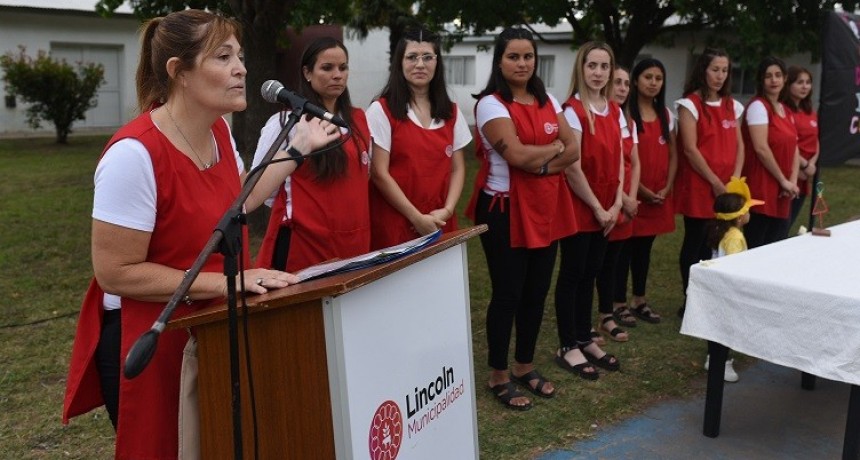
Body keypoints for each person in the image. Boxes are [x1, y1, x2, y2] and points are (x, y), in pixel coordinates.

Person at [62, 10, 340, 459]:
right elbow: (115, 272)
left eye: (240, 56)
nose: (241, 69)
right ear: (179, 72)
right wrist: (229, 283)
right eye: (223, 57)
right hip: (154, 337)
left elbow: (239, 201)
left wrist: (296, 150)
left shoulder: (219, 133)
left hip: (211, 327)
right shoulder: (132, 155)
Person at [467, 27, 579, 410]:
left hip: (546, 206)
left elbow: (574, 149)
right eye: (513, 56)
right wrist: (554, 148)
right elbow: (514, 156)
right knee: (508, 294)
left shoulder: (548, 99)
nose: (522, 63)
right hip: (505, 209)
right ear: (499, 61)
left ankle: (524, 366)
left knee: (536, 292)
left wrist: (541, 163)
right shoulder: (490, 104)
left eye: (528, 56)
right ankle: (498, 375)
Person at [254, 37, 372, 272]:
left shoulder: (358, 119)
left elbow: (364, 176)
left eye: (343, 68)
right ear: (307, 73)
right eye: (327, 68)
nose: (337, 75)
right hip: (303, 245)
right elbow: (260, 187)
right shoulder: (286, 123)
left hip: (353, 243)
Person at [555, 41, 624, 379]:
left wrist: (616, 203)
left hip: (606, 209)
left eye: (604, 66)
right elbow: (573, 167)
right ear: (581, 68)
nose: (598, 72)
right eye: (592, 65)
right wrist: (597, 207)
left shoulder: (614, 109)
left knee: (592, 273)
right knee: (573, 273)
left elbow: (621, 158)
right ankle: (568, 345)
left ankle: (585, 337)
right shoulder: (573, 111)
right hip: (581, 207)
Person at [367, 28, 470, 249]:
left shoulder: (451, 112)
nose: (420, 64)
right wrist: (416, 218)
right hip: (395, 224)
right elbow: (379, 173)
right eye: (412, 57)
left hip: (439, 221)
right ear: (400, 63)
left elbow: (457, 168)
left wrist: (448, 210)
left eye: (427, 57)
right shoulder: (381, 110)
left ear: (437, 62)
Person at [674, 48, 744, 317]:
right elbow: (690, 149)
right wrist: (715, 182)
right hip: (701, 186)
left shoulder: (732, 105)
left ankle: (711, 297)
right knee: (697, 242)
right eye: (715, 69)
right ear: (703, 70)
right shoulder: (690, 105)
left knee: (721, 242)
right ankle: (691, 299)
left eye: (724, 70)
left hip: (726, 187)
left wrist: (734, 180)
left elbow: (740, 146)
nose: (720, 75)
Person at [614, 58, 677, 325]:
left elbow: (673, 154)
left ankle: (639, 299)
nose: (653, 83)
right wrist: (641, 190)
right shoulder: (625, 114)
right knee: (623, 251)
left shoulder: (666, 115)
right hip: (633, 194)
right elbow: (627, 159)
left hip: (657, 195)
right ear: (636, 80)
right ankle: (618, 303)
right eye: (647, 77)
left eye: (658, 78)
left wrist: (667, 186)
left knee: (644, 250)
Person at [703, 176, 764, 382]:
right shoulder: (735, 237)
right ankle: (722, 362)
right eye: (747, 210)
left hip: (716, 285)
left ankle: (713, 357)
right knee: (726, 327)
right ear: (739, 218)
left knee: (717, 325)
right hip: (728, 289)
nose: (750, 213)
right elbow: (734, 265)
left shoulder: (719, 230)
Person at [593, 65, 638, 342]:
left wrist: (629, 198)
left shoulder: (626, 119)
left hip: (621, 201)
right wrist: (623, 199)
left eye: (626, 83)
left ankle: (606, 315)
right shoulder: (590, 113)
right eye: (617, 82)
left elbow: (633, 161)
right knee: (590, 265)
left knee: (612, 262)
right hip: (602, 200)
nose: (622, 88)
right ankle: (585, 321)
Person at [741, 56, 799, 248]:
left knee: (777, 245)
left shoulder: (786, 110)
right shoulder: (758, 106)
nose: (774, 80)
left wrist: (791, 181)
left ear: (785, 78)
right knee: (757, 246)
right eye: (768, 76)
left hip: (783, 190)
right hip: (762, 186)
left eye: (778, 75)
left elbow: (794, 148)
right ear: (761, 80)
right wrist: (783, 180)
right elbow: (761, 148)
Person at [781, 65, 819, 228]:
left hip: (806, 175)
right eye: (799, 82)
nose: (805, 86)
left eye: (808, 82)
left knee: (790, 223)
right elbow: (788, 143)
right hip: (789, 173)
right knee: (781, 224)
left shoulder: (810, 112)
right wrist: (803, 165)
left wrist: (811, 165)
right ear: (788, 85)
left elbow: (816, 140)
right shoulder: (783, 110)